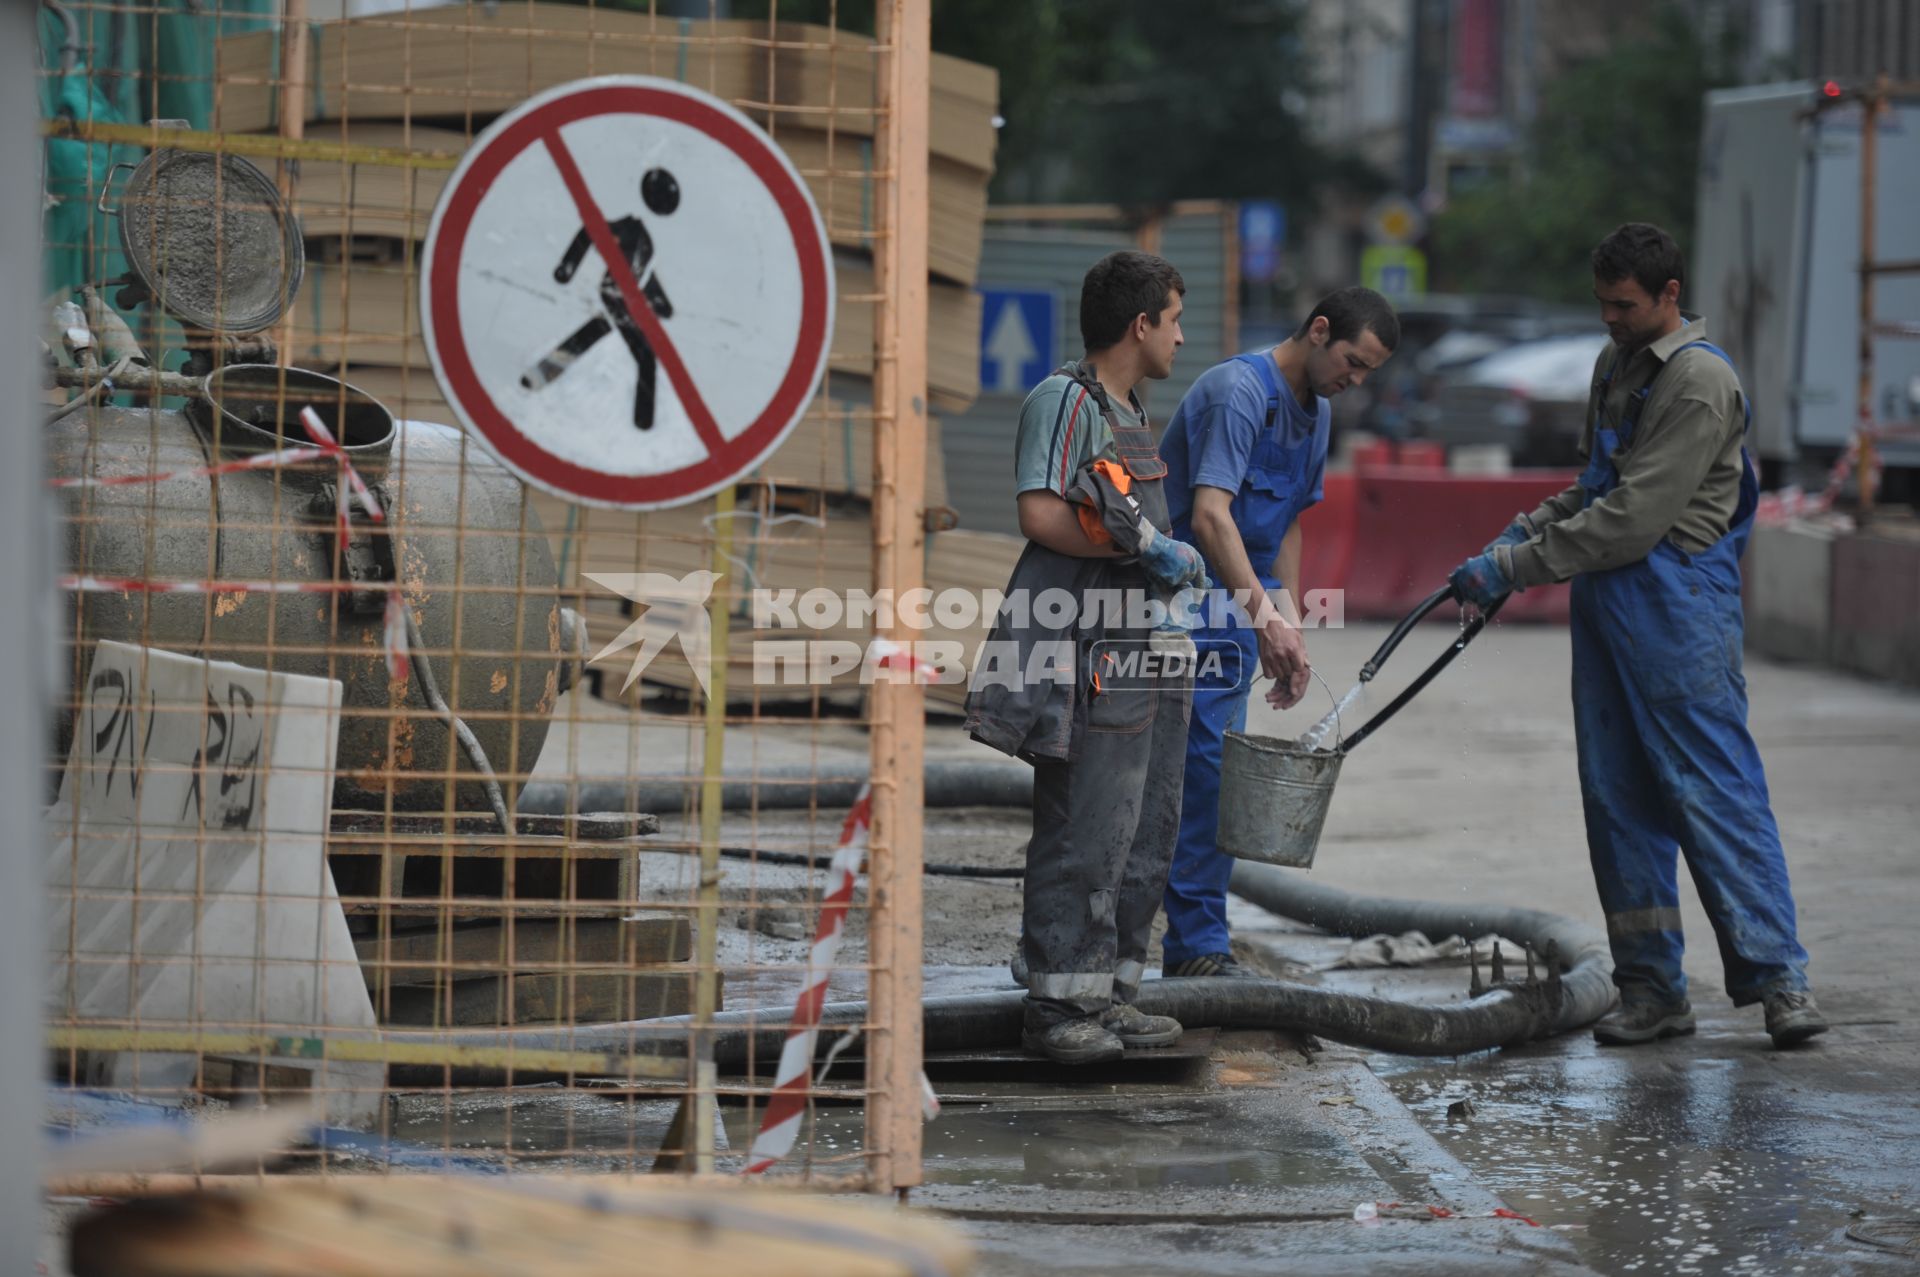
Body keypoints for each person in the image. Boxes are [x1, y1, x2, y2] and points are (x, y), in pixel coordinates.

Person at [1448, 222, 1827, 1049]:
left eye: (1624, 306)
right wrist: (1513, 536)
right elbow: (1593, 488)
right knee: (1618, 798)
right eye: (1602, 305)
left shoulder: (1697, 381)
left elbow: (1631, 519)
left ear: (1669, 296)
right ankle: (1651, 988)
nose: (1609, 319)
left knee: (1711, 790)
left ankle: (1779, 982)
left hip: (1678, 604)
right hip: (1612, 609)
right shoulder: (1615, 365)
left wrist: (1516, 566)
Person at [965, 250, 1207, 1064]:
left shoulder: (1132, 408)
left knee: (1143, 827)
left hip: (1148, 649)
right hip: (1092, 650)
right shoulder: (1065, 401)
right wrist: (1143, 553)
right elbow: (1041, 515)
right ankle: (1060, 1005)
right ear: (1140, 324)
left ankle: (1112, 993)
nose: (1183, 334)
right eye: (1174, 319)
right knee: (1086, 826)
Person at [1155, 287, 1398, 978]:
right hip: (1179, 607)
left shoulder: (1316, 414)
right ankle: (1182, 945)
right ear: (1319, 331)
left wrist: (1288, 623)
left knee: (1217, 780)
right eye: (1353, 360)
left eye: (1369, 371)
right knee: (1183, 778)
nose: (1356, 380)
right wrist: (1267, 618)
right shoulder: (1239, 392)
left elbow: (1287, 520)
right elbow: (1208, 517)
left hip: (1238, 608)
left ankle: (1197, 943)